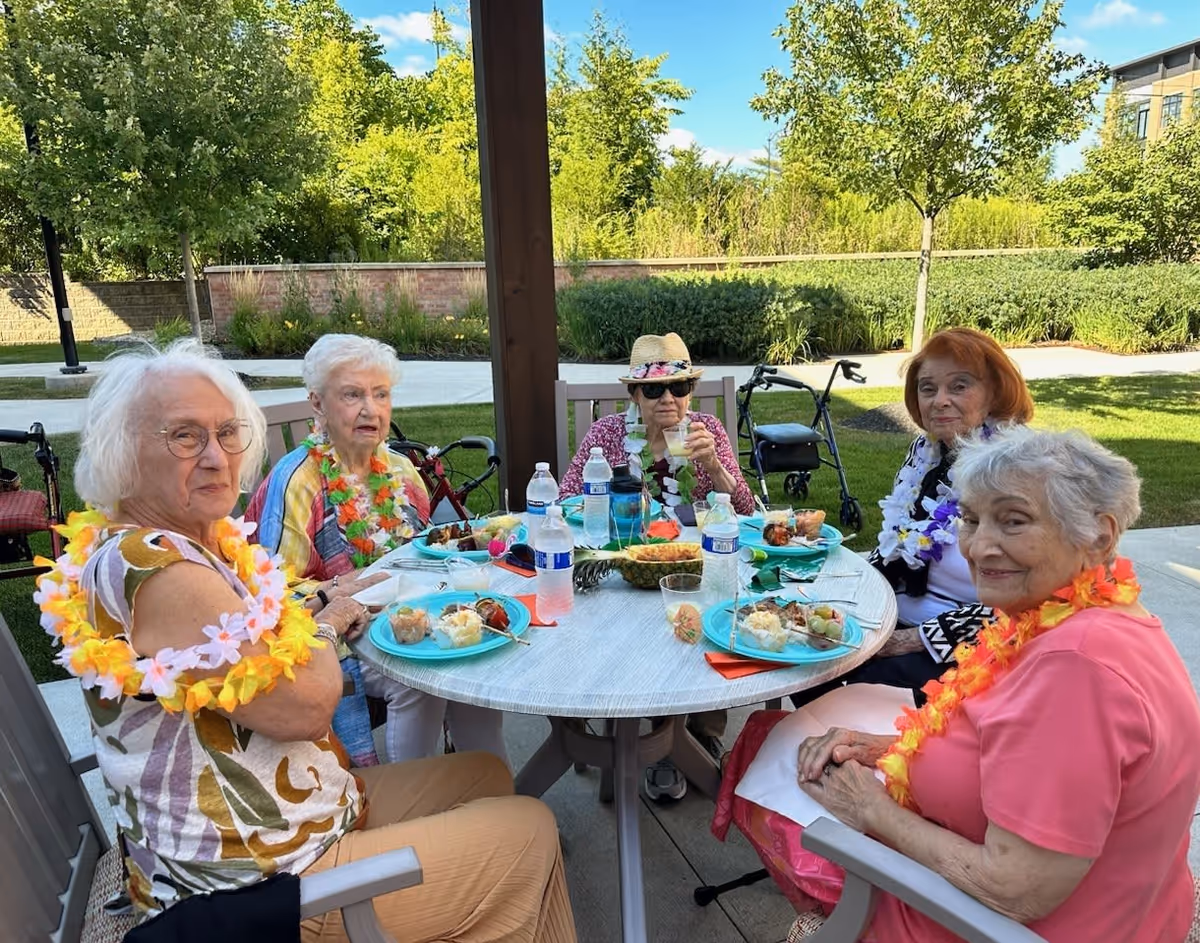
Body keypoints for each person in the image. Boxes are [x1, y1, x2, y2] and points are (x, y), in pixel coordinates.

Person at [35, 340, 575, 941]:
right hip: (256, 884)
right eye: (185, 436)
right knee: (530, 827)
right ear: (124, 451)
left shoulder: (190, 543)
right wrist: (322, 623)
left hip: (302, 809)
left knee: (483, 778)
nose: (217, 458)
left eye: (227, 432)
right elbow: (306, 704)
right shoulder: (159, 569)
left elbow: (262, 619)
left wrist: (319, 600)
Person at [714, 427, 1200, 942]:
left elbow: (1015, 890)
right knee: (778, 735)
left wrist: (870, 811)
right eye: (970, 519)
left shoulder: (1076, 669)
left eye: (1013, 521)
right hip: (1135, 904)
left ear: (1099, 536)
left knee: (766, 756)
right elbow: (1017, 754)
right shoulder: (1074, 615)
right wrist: (886, 748)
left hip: (987, 925)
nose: (980, 546)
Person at [246, 333, 507, 767]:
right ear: (318, 404)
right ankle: (412, 798)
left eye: (381, 394)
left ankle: (493, 793)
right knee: (417, 678)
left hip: (409, 613)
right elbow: (274, 599)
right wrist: (344, 596)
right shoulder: (298, 483)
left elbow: (423, 552)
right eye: (352, 394)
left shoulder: (402, 471)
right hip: (337, 637)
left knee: (472, 651)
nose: (371, 409)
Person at [798, 327, 1035, 707]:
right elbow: (898, 544)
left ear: (994, 393)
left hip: (969, 644)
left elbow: (1029, 600)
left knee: (851, 685)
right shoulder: (925, 453)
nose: (940, 401)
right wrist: (832, 587)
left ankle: (847, 755)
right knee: (804, 646)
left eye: (959, 386)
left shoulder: (1016, 470)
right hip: (895, 619)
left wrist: (907, 640)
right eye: (928, 389)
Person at [558, 331, 755, 515]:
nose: (668, 398)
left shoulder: (707, 429)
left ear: (690, 393)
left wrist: (714, 467)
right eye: (653, 389)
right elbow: (565, 499)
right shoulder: (606, 432)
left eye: (679, 387)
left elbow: (745, 509)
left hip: (692, 546)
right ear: (635, 395)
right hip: (625, 540)